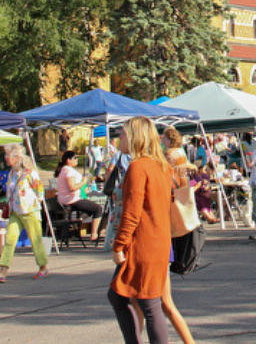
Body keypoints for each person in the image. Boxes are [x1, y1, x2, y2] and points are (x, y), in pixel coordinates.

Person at [108, 116, 181, 344]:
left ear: (134, 137)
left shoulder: (139, 167)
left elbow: (132, 213)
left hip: (144, 243)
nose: (119, 138)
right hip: (158, 240)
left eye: (122, 133)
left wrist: (119, 245)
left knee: (148, 304)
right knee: (127, 298)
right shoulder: (161, 166)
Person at [0, 144, 49, 282]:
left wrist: (34, 201)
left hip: (30, 210)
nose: (5, 159)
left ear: (16, 158)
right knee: (9, 240)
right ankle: (2, 272)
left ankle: (43, 267)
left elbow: (39, 190)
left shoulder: (29, 173)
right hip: (15, 211)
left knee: (35, 240)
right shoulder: (11, 174)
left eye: (7, 156)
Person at [55, 151, 104, 242]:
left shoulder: (64, 170)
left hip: (67, 199)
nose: (77, 160)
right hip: (72, 200)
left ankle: (81, 219)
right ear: (68, 160)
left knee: (90, 207)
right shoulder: (68, 171)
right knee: (98, 208)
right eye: (75, 158)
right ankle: (94, 234)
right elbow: (72, 187)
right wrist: (83, 182)